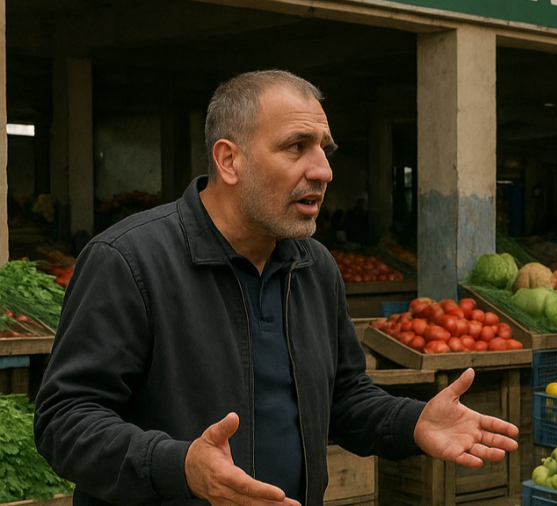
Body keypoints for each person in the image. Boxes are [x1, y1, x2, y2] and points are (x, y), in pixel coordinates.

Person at [33, 70, 518, 506]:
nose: (323, 170)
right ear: (229, 160)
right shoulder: (129, 261)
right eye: (296, 146)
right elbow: (65, 420)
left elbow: (344, 399)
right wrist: (180, 467)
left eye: (325, 150)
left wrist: (412, 422)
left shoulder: (315, 267)